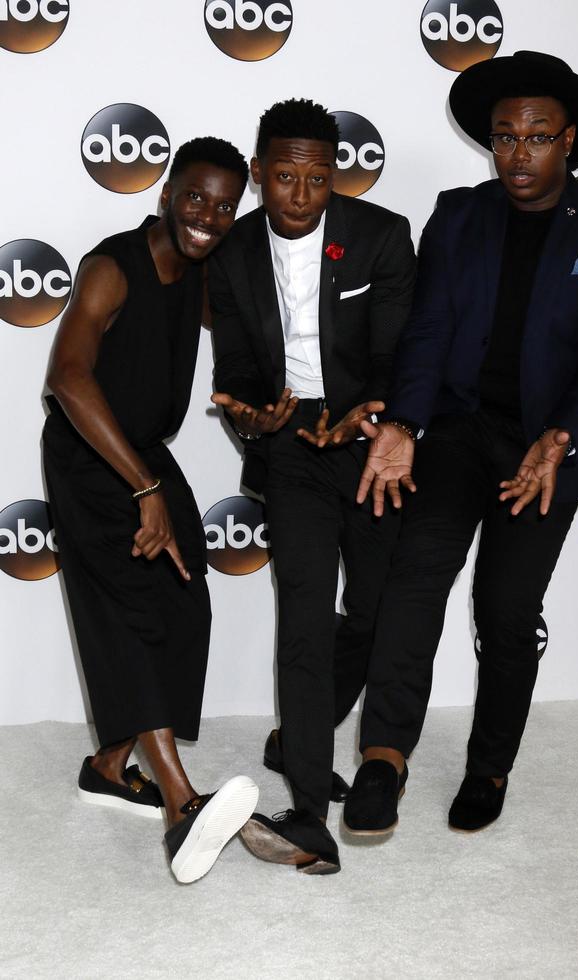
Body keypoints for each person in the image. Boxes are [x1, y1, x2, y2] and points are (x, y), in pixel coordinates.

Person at [346, 51, 578, 836]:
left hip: (543, 450)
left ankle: (490, 766)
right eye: (505, 137)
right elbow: (430, 329)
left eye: (538, 136)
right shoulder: (458, 214)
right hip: (457, 430)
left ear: (570, 141)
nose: (518, 153)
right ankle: (383, 757)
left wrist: (562, 434)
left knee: (507, 610)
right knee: (416, 578)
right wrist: (405, 425)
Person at [43, 137, 259, 884]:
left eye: (226, 205)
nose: (209, 215)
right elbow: (68, 380)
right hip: (87, 451)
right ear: (166, 192)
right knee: (131, 607)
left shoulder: (200, 271)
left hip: (139, 454)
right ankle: (179, 803)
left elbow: (241, 334)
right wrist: (144, 491)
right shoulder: (112, 268)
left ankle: (108, 765)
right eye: (196, 197)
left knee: (184, 597)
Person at [209, 99, 415, 874]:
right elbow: (233, 371)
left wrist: (378, 416)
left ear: (338, 176)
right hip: (292, 446)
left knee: (369, 607)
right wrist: (258, 423)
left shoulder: (381, 236)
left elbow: (404, 355)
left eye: (318, 179)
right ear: (260, 173)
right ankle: (306, 809)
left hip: (366, 441)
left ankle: (304, 729)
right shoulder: (229, 254)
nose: (300, 197)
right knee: (302, 616)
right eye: (285, 177)